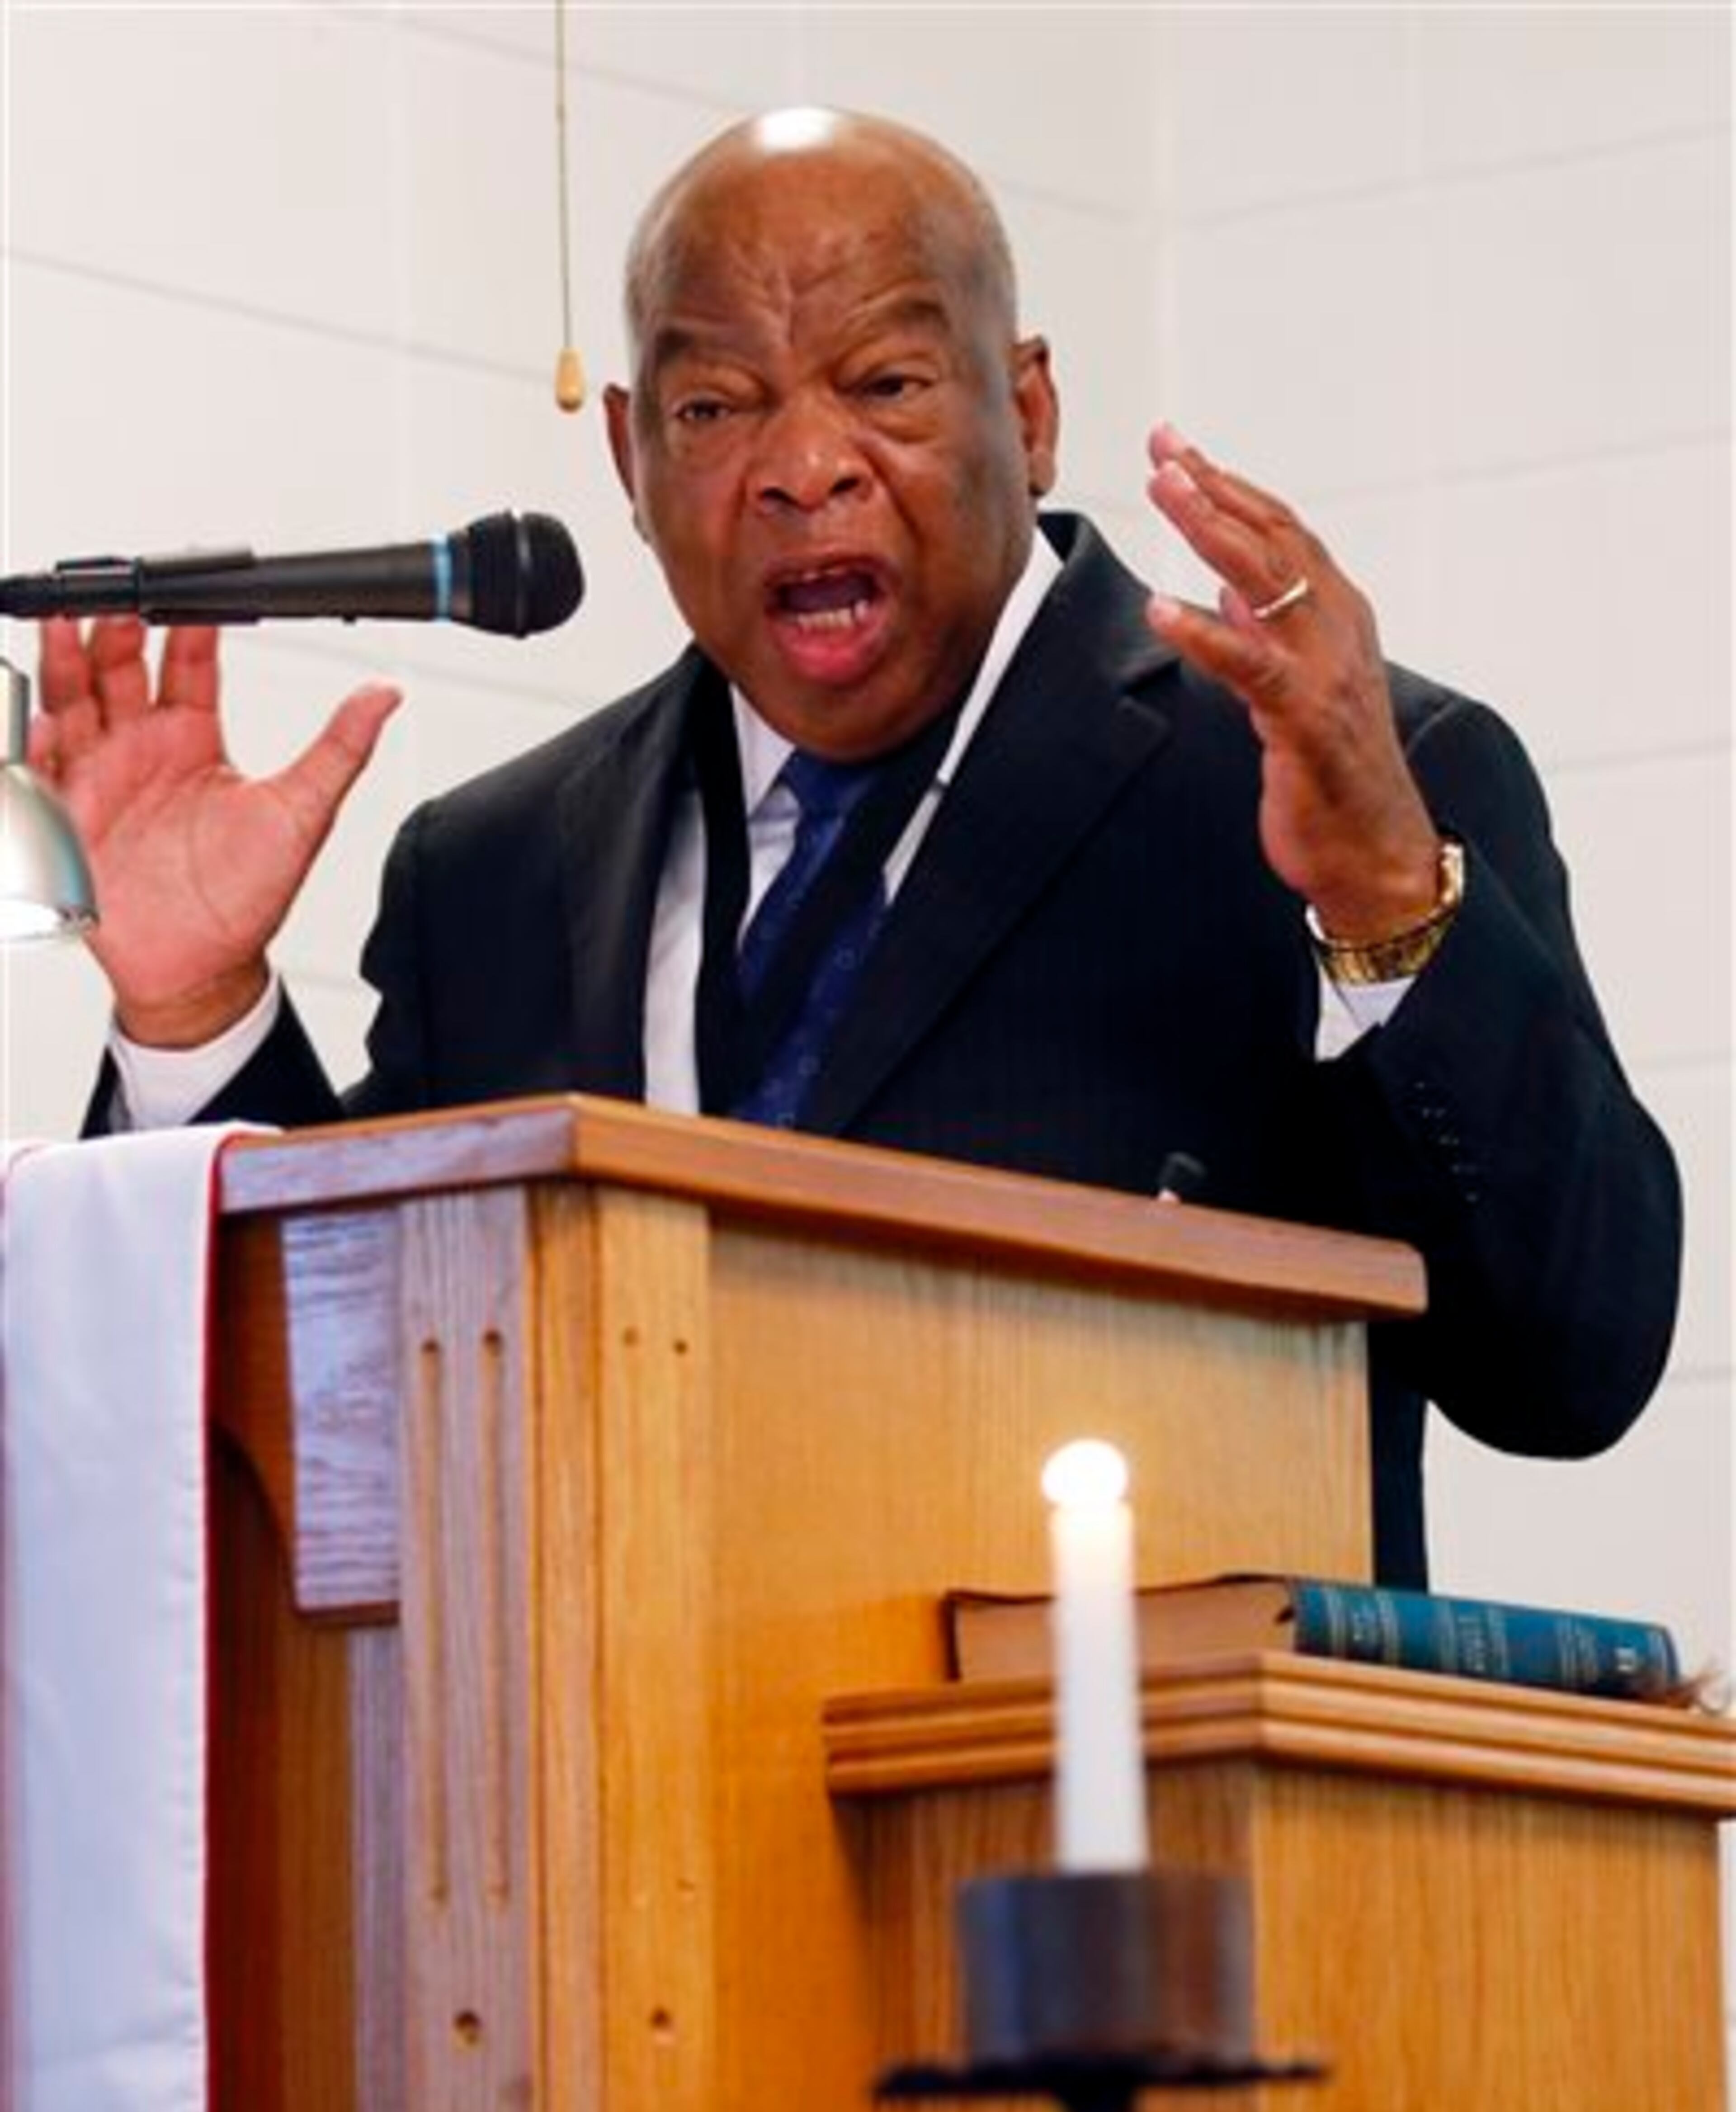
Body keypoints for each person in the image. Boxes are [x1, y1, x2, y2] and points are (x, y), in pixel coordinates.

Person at [30, 109, 1680, 1587]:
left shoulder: (1328, 786)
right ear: (627, 455)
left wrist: (1391, 904)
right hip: (609, 1862)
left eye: (885, 385)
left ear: (1027, 411)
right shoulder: (495, 872)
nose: (805, 466)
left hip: (1138, 1880)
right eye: (715, 405)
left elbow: (1571, 1365)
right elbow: (328, 1428)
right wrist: (196, 1020)